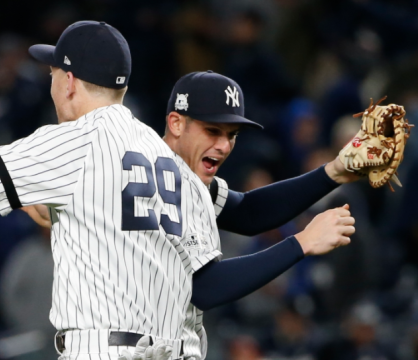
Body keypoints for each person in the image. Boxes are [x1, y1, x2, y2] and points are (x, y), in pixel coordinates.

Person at [0, 21, 222, 360]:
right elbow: (73, 214)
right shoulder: (164, 154)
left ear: (69, 81)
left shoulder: (75, 140)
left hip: (106, 348)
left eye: (51, 73)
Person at [25, 71, 358, 360]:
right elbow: (203, 287)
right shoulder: (143, 180)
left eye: (232, 135)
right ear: (176, 123)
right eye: (213, 131)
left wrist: (334, 172)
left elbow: (248, 212)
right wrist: (302, 242)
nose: (225, 146)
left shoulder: (176, 178)